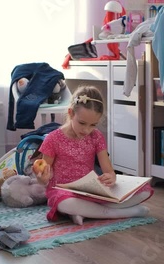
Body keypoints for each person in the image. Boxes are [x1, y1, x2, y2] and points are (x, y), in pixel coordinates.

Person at [36, 85, 154, 225]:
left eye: (93, 125)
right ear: (71, 113)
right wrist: (43, 179)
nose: (87, 130)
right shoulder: (53, 139)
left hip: (92, 191)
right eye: (82, 123)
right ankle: (117, 213)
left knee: (144, 191)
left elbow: (109, 171)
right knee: (65, 203)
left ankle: (85, 212)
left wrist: (111, 177)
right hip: (63, 191)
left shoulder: (96, 137)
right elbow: (43, 177)